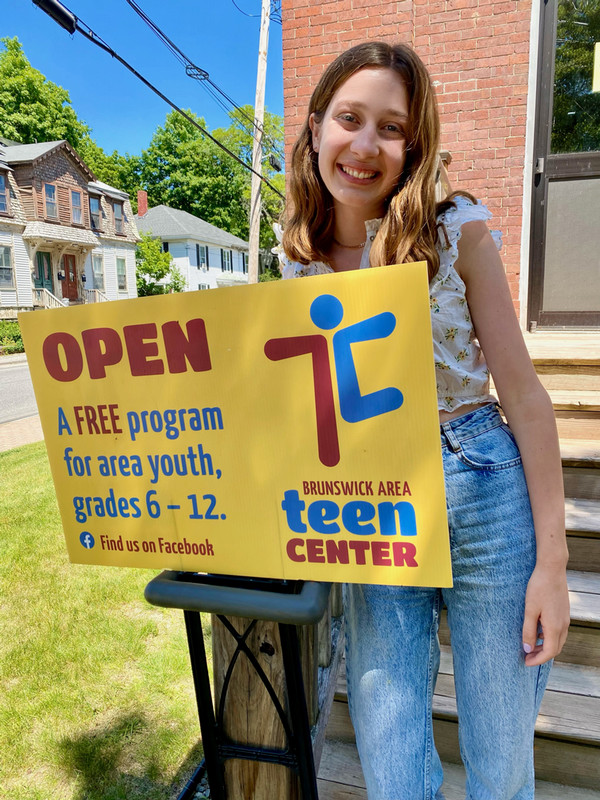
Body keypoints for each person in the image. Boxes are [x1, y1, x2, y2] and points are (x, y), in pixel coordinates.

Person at [278, 42, 571, 799]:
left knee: (502, 765)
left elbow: (527, 397)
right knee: (390, 755)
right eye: (350, 118)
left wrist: (553, 565)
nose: (366, 144)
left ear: (414, 144)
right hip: (373, 504)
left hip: (483, 484)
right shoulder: (297, 264)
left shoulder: (456, 231)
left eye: (392, 127)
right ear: (316, 129)